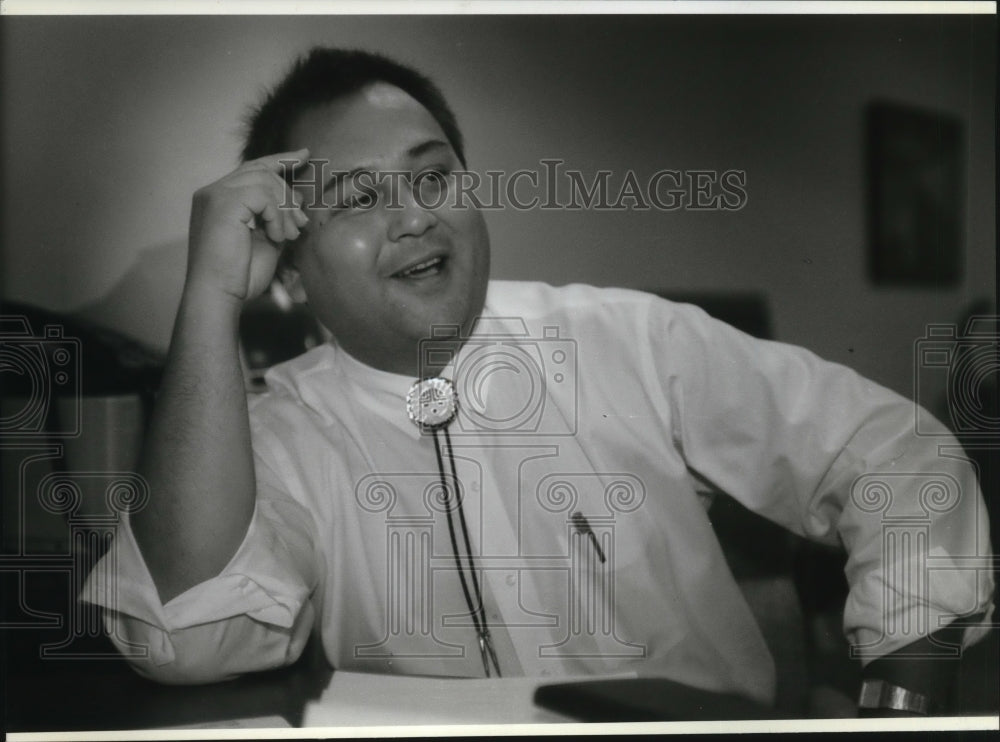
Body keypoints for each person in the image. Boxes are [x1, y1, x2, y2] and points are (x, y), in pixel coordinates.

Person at [83, 47, 994, 716]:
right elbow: (187, 640)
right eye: (357, 199)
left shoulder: (626, 338)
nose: (413, 218)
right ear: (289, 267)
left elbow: (901, 460)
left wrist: (904, 702)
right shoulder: (276, 436)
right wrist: (208, 299)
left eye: (434, 178)